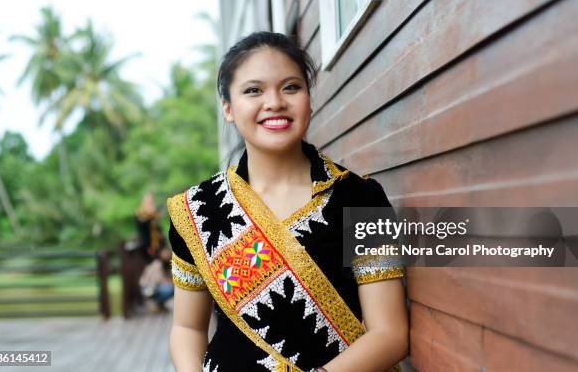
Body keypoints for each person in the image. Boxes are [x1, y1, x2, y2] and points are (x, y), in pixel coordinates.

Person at [167, 31, 408, 372]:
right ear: (229, 109)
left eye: (291, 87)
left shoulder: (360, 198)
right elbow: (186, 327)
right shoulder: (198, 212)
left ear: (309, 98)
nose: (275, 102)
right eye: (253, 90)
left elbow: (390, 333)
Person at [139, 246, 175, 312]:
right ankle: (155, 303)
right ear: (160, 254)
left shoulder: (166, 264)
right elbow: (158, 280)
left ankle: (159, 304)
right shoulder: (157, 264)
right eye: (165, 253)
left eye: (168, 252)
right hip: (148, 288)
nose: (168, 254)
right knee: (171, 288)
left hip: (155, 287)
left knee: (171, 287)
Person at [135, 192, 166, 263]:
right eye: (149, 201)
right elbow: (142, 227)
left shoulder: (154, 214)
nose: (151, 203)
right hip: (147, 245)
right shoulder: (140, 214)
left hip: (159, 243)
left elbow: (158, 229)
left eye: (151, 201)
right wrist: (151, 215)